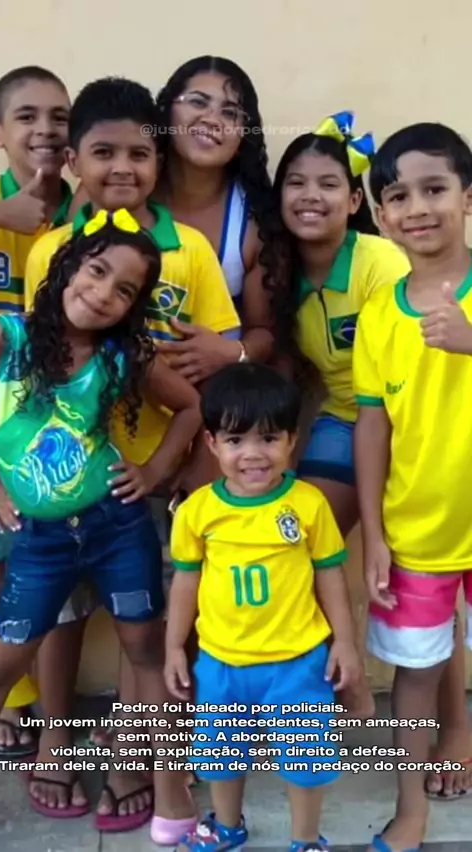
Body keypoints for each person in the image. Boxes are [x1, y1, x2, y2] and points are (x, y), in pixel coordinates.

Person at [24, 76, 240, 836]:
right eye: (104, 152)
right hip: (61, 477)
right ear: (73, 162)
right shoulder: (52, 250)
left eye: (140, 154)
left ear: (160, 160)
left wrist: (181, 469)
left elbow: (216, 363)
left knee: (143, 624)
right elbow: (34, 361)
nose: (123, 167)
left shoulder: (191, 250)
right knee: (60, 615)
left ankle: (132, 753)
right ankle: (53, 739)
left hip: (153, 477)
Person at [0, 207, 202, 828]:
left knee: (147, 651)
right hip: (39, 540)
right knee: (3, 660)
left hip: (117, 527)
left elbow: (192, 407)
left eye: (125, 290)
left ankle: (169, 789)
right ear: (67, 267)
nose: (104, 292)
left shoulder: (121, 357)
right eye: (97, 270)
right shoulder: (8, 338)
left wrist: (154, 472)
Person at [165, 362, 361, 852]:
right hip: (221, 661)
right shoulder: (197, 512)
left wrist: (345, 643)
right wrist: (173, 648)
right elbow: (185, 583)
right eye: (235, 440)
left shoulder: (309, 504)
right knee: (219, 756)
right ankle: (227, 825)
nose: (253, 454)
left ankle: (306, 839)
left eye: (269, 438)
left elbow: (330, 576)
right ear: (211, 443)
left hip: (298, 662)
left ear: (292, 440)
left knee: (307, 761)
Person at [267, 113, 410, 719]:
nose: (310, 196)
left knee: (416, 572)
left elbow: (412, 372)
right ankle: (335, 678)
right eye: (296, 183)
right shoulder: (277, 273)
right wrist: (277, 459)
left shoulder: (380, 262)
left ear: (354, 201)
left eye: (328, 184)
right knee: (297, 541)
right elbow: (286, 372)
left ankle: (454, 731)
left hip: (412, 423)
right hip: (343, 418)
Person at [353, 122, 472, 852]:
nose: (418, 208)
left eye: (435, 189)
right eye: (399, 196)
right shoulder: (378, 315)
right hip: (417, 529)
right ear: (380, 215)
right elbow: (372, 427)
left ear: (468, 197)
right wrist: (374, 531)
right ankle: (411, 805)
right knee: (417, 670)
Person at [0, 65, 73, 759]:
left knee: (47, 571)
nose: (45, 130)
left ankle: (55, 717)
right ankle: (13, 696)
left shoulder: (85, 210)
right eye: (27, 116)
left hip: (58, 426)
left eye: (59, 117)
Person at [153, 54, 275, 378]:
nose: (212, 119)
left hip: (214, 394)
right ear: (166, 111)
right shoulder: (124, 184)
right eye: (198, 102)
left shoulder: (255, 219)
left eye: (230, 112)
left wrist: (233, 353)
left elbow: (266, 330)